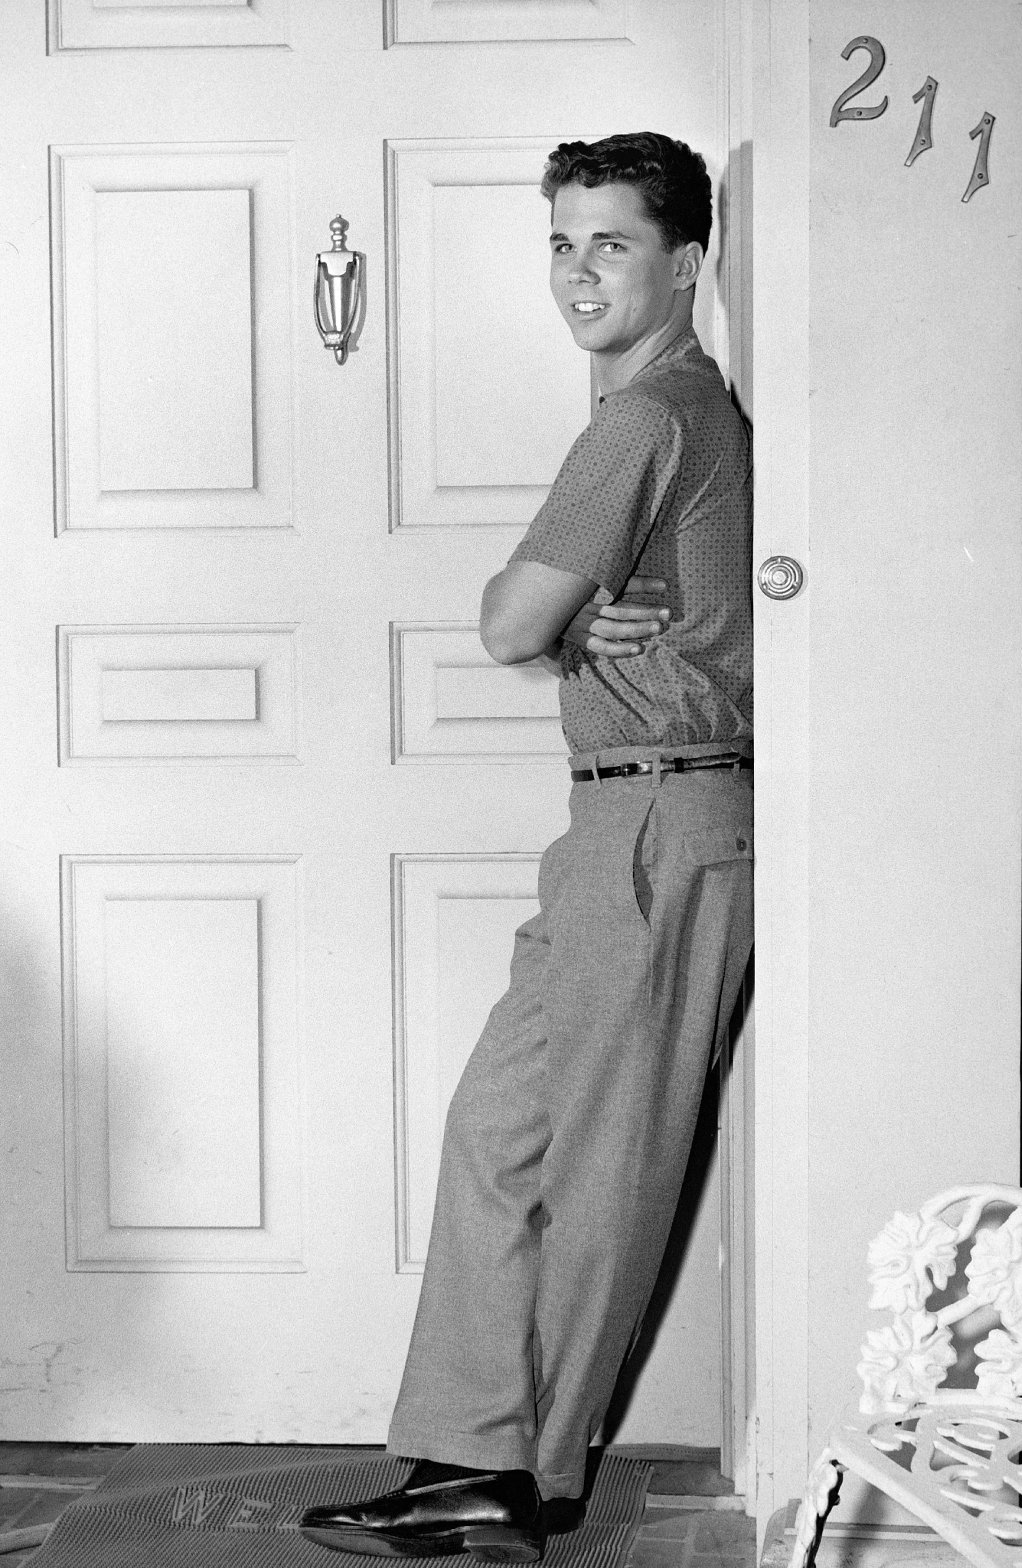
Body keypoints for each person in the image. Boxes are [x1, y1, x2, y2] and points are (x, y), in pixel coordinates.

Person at [301, 130, 754, 1563]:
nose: (578, 271)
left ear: (687, 260)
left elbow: (503, 618)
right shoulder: (667, 413)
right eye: (561, 241)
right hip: (628, 810)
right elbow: (545, 621)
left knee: (584, 1158)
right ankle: (473, 1458)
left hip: (658, 814)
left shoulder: (647, 417)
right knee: (507, 1135)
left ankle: (517, 1481)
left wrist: (548, 617)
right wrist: (571, 619)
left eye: (610, 241)